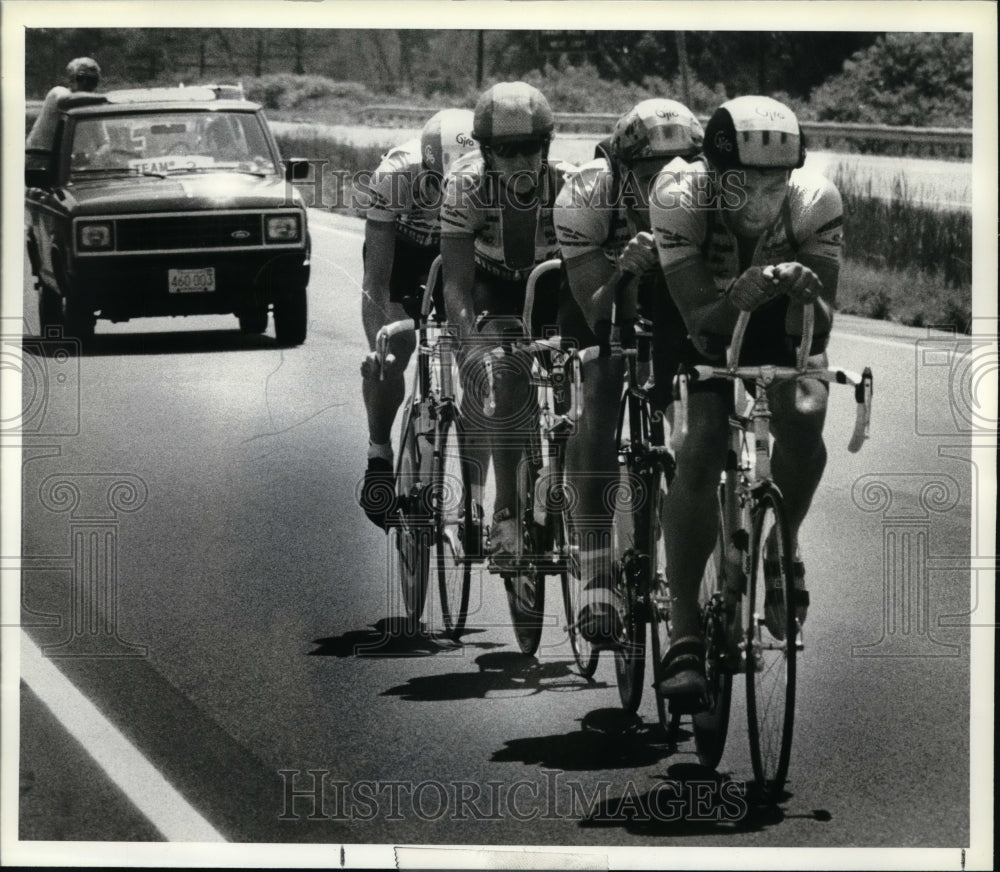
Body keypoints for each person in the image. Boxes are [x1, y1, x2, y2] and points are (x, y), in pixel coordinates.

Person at [649, 95, 843, 700]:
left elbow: (815, 334)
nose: (759, 198)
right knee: (703, 442)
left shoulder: (817, 202)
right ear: (712, 173)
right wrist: (735, 296)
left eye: (773, 182)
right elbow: (700, 324)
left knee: (805, 417)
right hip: (699, 308)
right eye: (742, 184)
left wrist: (804, 298)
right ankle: (684, 631)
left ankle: (783, 546)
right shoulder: (677, 196)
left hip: (777, 310)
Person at [553, 98, 705, 648]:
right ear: (620, 170)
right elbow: (595, 307)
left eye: (678, 171)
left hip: (671, 292)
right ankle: (596, 564)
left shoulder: (705, 193)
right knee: (602, 375)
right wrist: (624, 270)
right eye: (648, 176)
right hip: (601, 284)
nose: (666, 185)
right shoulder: (586, 193)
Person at [439, 81, 574, 563]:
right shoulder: (464, 187)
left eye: (530, 149)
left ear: (547, 147)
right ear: (486, 152)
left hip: (552, 283)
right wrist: (472, 345)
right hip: (491, 286)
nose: (519, 161)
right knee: (508, 377)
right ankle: (505, 513)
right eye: (505, 151)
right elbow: (455, 285)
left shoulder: (570, 185)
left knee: (576, 377)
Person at [358, 108, 477, 529]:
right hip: (405, 256)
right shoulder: (394, 176)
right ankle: (379, 452)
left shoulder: (487, 177)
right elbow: (376, 276)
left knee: (475, 351)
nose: (447, 192)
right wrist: (381, 341)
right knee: (396, 351)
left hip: (462, 251)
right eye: (437, 184)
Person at [26, 57, 101, 152]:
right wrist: (104, 98)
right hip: (39, 158)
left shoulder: (92, 105)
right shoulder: (58, 92)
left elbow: (104, 142)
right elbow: (66, 101)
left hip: (68, 162)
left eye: (92, 80)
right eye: (81, 78)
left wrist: (96, 157)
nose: (85, 83)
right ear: (71, 79)